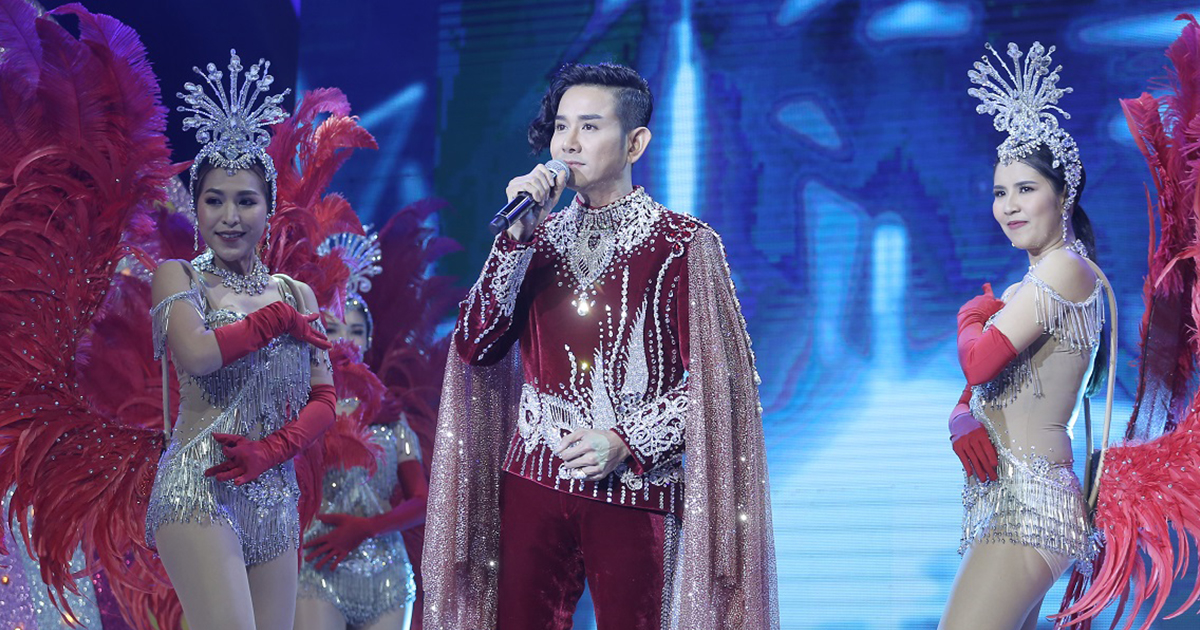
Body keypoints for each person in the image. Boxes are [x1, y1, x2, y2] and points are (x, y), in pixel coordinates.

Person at [422, 62, 778, 630]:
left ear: (635, 143)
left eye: (589, 126)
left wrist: (625, 441)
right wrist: (514, 243)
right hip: (533, 481)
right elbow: (474, 346)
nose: (568, 143)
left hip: (635, 489)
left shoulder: (683, 245)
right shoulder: (536, 237)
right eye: (561, 126)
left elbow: (722, 389)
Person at [145, 50, 336, 630]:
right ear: (197, 207)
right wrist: (275, 321)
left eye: (246, 200)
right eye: (214, 200)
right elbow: (199, 354)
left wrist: (270, 452)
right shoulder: (179, 277)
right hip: (199, 486)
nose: (230, 216)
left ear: (269, 209)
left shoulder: (298, 292)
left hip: (273, 493)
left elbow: (325, 399)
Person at [940, 42, 1107, 630]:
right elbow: (983, 387)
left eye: (1026, 189)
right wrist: (961, 415)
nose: (1009, 206)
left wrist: (968, 317)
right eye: (999, 192)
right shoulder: (1028, 286)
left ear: (1065, 195)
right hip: (1017, 500)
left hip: (1034, 504)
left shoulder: (1066, 269)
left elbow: (980, 362)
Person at [296, 231, 428, 630]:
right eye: (334, 328)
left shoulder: (390, 415)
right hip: (318, 565)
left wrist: (368, 528)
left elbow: (422, 501)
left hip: (386, 574)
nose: (346, 340)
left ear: (368, 340)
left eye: (356, 330)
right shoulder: (299, 409)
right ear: (318, 336)